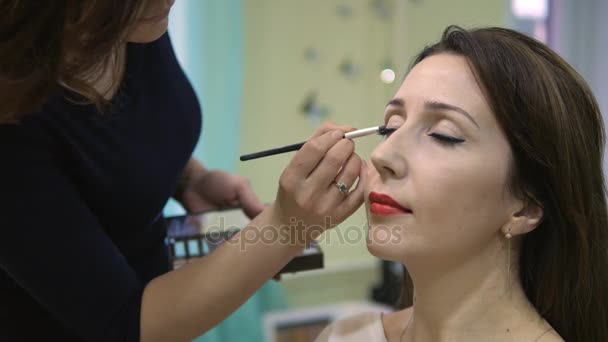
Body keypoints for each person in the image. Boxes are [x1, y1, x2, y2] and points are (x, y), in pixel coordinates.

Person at [0, 1, 366, 341]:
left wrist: (189, 178)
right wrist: (285, 228)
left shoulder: (135, 25)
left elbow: (116, 139)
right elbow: (124, 322)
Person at [316, 26, 608, 341]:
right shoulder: (344, 336)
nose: (382, 155)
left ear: (525, 207)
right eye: (390, 128)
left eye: (444, 134)